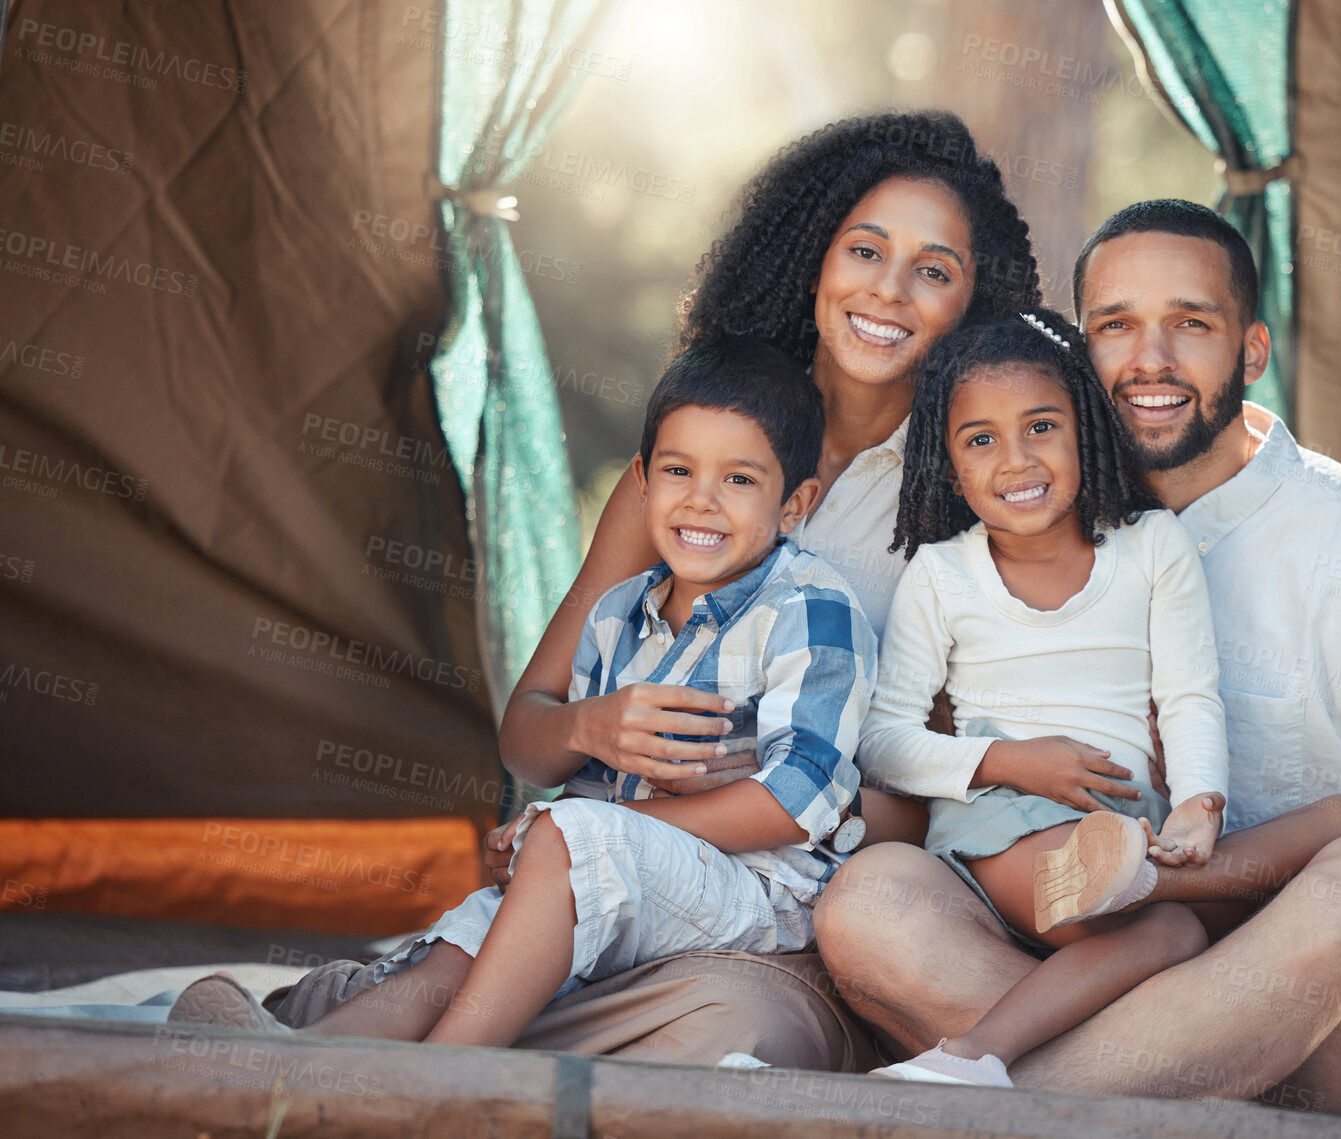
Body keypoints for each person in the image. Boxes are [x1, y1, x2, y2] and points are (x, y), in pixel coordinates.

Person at [254, 110, 1043, 1066]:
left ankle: (394, 1048)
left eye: (933, 269)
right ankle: (339, 1058)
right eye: (863, 250)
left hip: (800, 891)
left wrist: (692, 807)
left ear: (973, 302)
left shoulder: (970, 499)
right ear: (809, 258)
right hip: (611, 855)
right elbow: (531, 727)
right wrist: (592, 733)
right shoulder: (690, 461)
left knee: (740, 1026)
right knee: (494, 943)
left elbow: (940, 796)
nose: (888, 290)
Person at [813, 200, 1341, 1119]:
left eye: (1190, 326)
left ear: (1251, 352)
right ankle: (1111, 1102)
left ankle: (939, 1111)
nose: (1149, 361)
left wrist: (1224, 907)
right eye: (1115, 327)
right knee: (872, 895)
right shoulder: (1001, 529)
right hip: (1070, 966)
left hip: (1317, 1024)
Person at [173, 340, 877, 1044]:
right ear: (641, 480)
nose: (701, 499)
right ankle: (298, 1063)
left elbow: (796, 801)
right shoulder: (618, 613)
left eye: (740, 480)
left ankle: (440, 1077)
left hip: (755, 891)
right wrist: (546, 833)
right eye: (677, 470)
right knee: (468, 938)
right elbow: (582, 786)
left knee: (570, 843)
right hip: (632, 874)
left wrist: (570, 837)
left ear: (795, 504)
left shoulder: (807, 607)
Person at [854, 308, 1341, 1086]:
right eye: (980, 440)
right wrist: (1013, 761)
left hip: (1134, 822)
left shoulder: (1150, 545)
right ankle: (974, 1049)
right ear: (950, 466)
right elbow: (883, 740)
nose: (1015, 459)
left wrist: (1199, 803)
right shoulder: (943, 574)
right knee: (1130, 904)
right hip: (1006, 825)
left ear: (1086, 429)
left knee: (1338, 827)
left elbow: (1188, 695)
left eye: (1041, 426)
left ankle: (1115, 901)